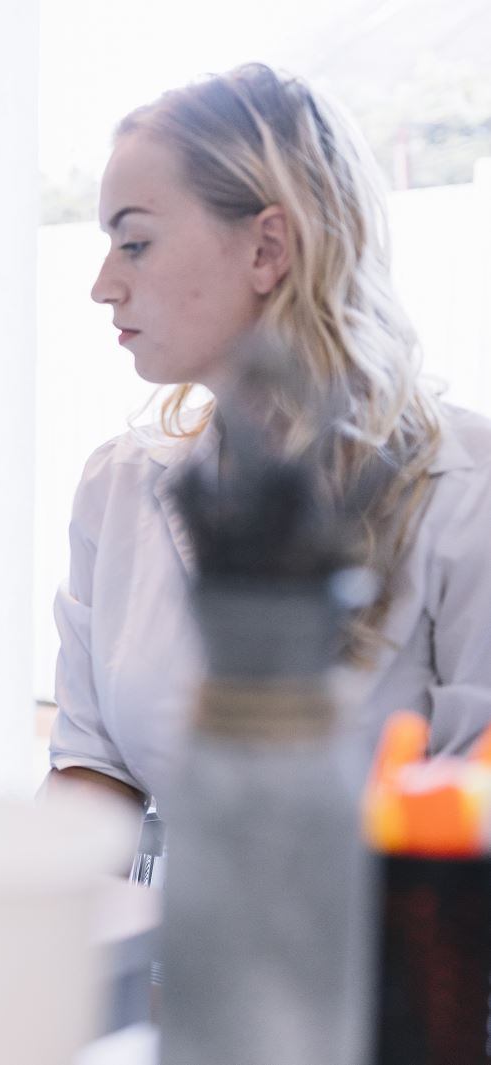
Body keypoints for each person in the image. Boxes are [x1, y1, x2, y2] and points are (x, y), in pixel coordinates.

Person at [48, 64, 491, 809]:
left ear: (266, 248)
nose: (102, 284)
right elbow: (94, 774)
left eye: (135, 243)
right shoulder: (119, 485)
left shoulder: (463, 496)